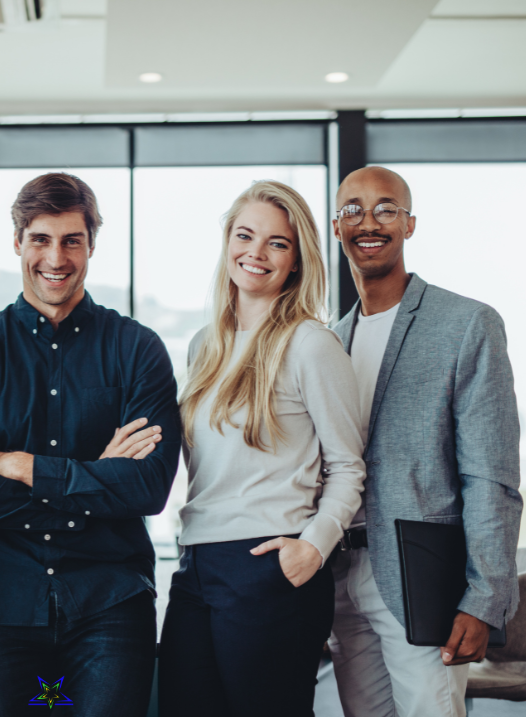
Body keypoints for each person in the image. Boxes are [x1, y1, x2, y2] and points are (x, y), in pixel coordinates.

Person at [0, 172, 180, 717]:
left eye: (72, 239)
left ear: (92, 244)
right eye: (41, 239)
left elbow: (149, 487)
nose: (56, 257)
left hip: (111, 601)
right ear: (17, 241)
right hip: (3, 605)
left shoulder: (137, 349)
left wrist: (24, 466)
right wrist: (93, 476)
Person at [158, 180, 366, 717]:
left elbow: (348, 467)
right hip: (198, 561)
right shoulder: (205, 344)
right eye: (245, 235)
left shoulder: (310, 344)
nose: (256, 253)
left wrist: (313, 548)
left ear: (296, 261)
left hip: (269, 562)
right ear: (228, 241)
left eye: (277, 243)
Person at [327, 166, 522, 717]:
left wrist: (485, 599)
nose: (369, 222)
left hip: (422, 577)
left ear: (409, 224)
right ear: (336, 227)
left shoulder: (466, 324)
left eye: (386, 209)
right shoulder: (330, 340)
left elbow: (491, 474)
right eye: (353, 210)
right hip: (342, 579)